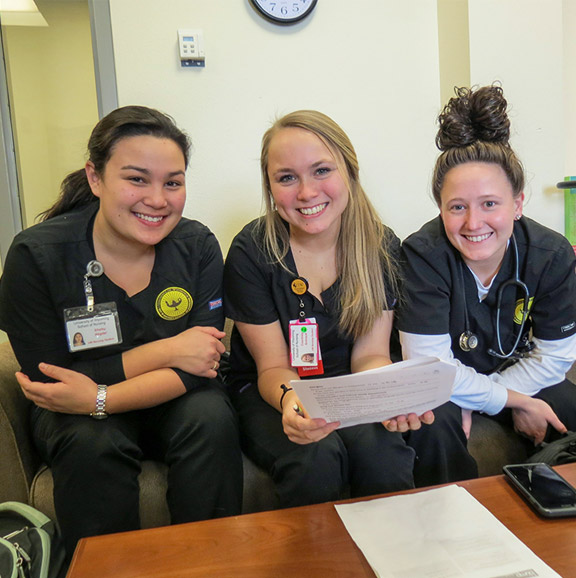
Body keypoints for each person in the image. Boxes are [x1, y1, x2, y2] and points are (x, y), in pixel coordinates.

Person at [0, 106, 243, 558]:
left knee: (209, 417)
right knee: (91, 440)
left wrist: (100, 396)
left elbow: (201, 366)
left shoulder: (197, 247)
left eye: (173, 182)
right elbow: (52, 380)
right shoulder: (36, 256)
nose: (158, 199)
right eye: (137, 179)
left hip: (170, 399)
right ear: (95, 178)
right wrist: (170, 348)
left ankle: (210, 564)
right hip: (71, 415)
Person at [223, 109, 453, 508]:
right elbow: (272, 368)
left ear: (350, 171)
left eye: (321, 170)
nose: (307, 192)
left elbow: (371, 355)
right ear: (271, 187)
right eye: (287, 177)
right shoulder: (252, 251)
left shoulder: (380, 247)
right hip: (273, 391)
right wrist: (294, 403)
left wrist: (390, 397)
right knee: (314, 457)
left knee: (382, 454)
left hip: (352, 385)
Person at [397, 84, 576, 461]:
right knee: (434, 421)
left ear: (518, 204)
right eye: (457, 207)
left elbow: (555, 358)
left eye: (490, 203)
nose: (473, 222)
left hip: (504, 373)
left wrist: (486, 398)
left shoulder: (551, 255)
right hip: (437, 386)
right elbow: (431, 369)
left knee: (568, 404)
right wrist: (502, 400)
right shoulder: (422, 255)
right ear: (440, 208)